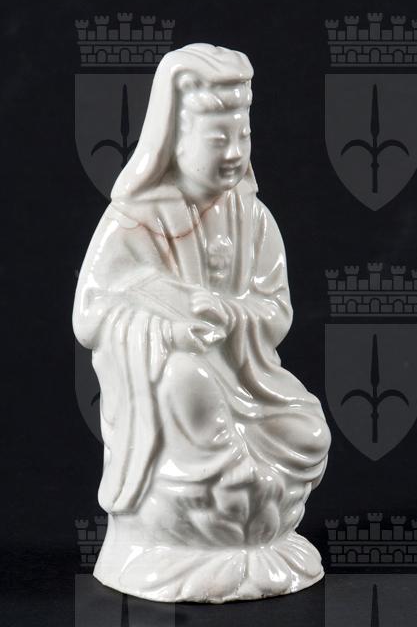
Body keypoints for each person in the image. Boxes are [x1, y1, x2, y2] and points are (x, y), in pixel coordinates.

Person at [73, 43, 331, 603]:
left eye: (243, 137)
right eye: (218, 140)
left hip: (246, 379)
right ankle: (229, 495)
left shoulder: (254, 218)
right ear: (174, 139)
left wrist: (231, 315)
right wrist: (168, 331)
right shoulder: (134, 220)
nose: (234, 153)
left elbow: (277, 310)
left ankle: (252, 514)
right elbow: (91, 315)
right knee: (185, 380)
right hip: (177, 384)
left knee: (309, 431)